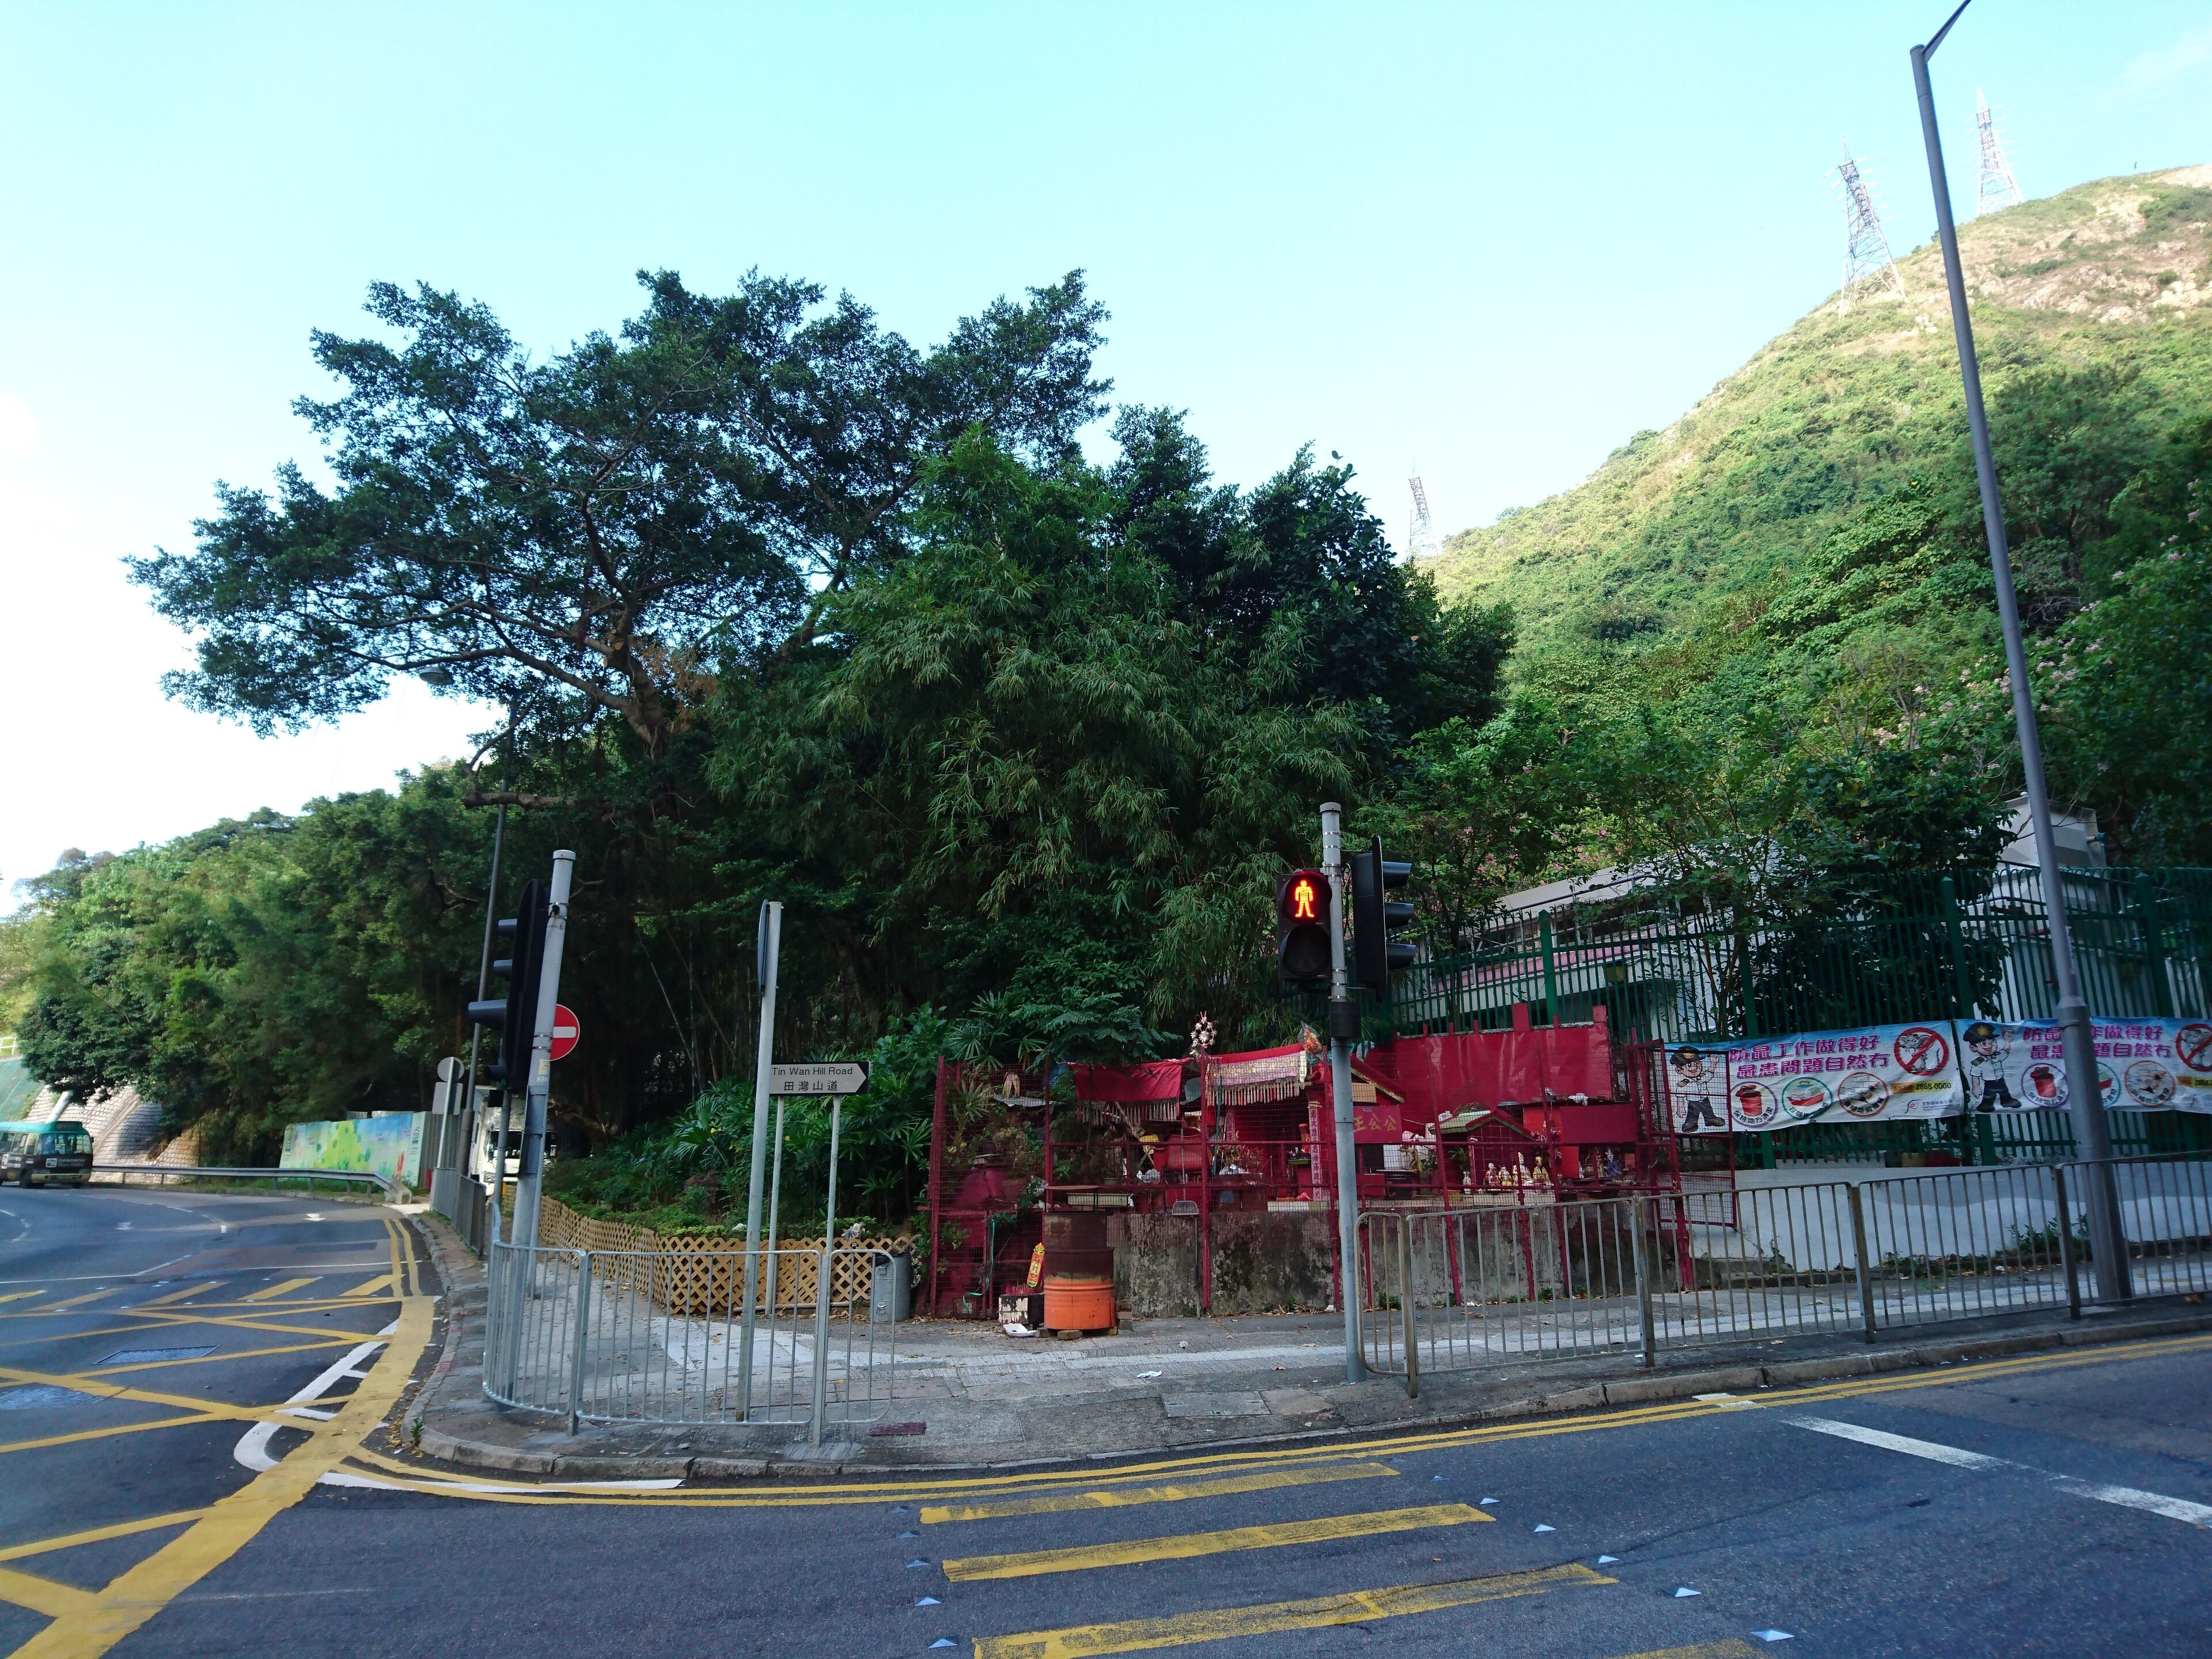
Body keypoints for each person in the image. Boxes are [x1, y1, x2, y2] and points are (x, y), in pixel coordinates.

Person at [1961, 1021, 2019, 1112]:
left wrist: (2007, 1042)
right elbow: (1975, 1076)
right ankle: (1986, 1104)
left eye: (1992, 1041)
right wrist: (1976, 1087)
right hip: (1989, 1083)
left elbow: (2006, 1051)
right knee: (1988, 1096)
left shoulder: (1998, 1055)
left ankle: (2007, 1101)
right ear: (1973, 1048)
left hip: (2001, 1081)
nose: (1989, 1045)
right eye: (1984, 1043)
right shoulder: (1979, 1062)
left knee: (2005, 1092)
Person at [1671, 1046, 1725, 1131]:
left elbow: (1710, 1072)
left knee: (1708, 1111)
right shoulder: (1684, 1084)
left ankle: (1710, 1120)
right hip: (1693, 1102)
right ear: (1679, 1070)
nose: (1695, 1067)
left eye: (1697, 1062)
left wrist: (1713, 1064)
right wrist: (1680, 1108)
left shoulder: (1703, 1077)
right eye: (1689, 1065)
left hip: (1705, 1100)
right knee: (1692, 1115)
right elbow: (1680, 1096)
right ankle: (1690, 1125)